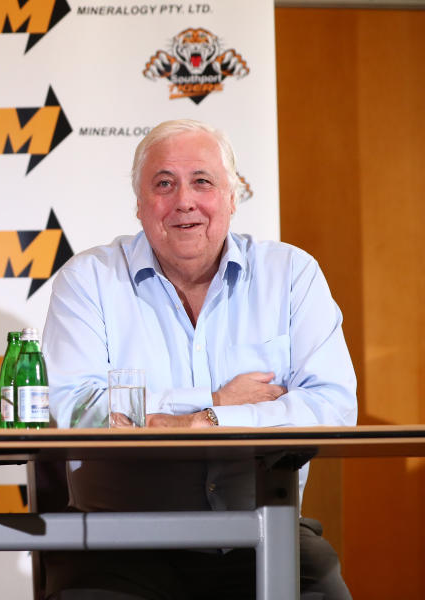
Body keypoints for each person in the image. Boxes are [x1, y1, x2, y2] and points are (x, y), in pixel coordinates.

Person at [41, 119, 357, 599]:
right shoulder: (88, 280)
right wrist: (212, 400)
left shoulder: (291, 274)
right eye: (164, 184)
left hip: (262, 533)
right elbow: (74, 406)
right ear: (141, 206)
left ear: (232, 197)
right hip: (121, 544)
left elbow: (333, 405)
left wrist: (202, 421)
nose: (184, 200)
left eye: (202, 182)